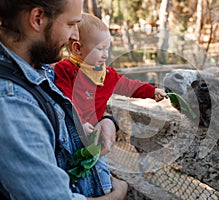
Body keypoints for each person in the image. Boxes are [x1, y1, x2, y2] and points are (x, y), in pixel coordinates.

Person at [0, 0, 127, 199]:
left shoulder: (39, 71)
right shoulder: (12, 103)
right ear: (38, 19)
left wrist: (106, 119)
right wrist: (118, 195)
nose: (75, 35)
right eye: (70, 24)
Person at [54, 12, 167, 197]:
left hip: (95, 137)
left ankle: (104, 190)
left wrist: (151, 91)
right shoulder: (65, 70)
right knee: (73, 172)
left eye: (108, 49)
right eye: (100, 49)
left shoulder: (107, 75)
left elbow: (129, 86)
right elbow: (65, 99)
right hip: (71, 135)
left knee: (99, 168)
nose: (106, 55)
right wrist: (79, 122)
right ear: (77, 48)